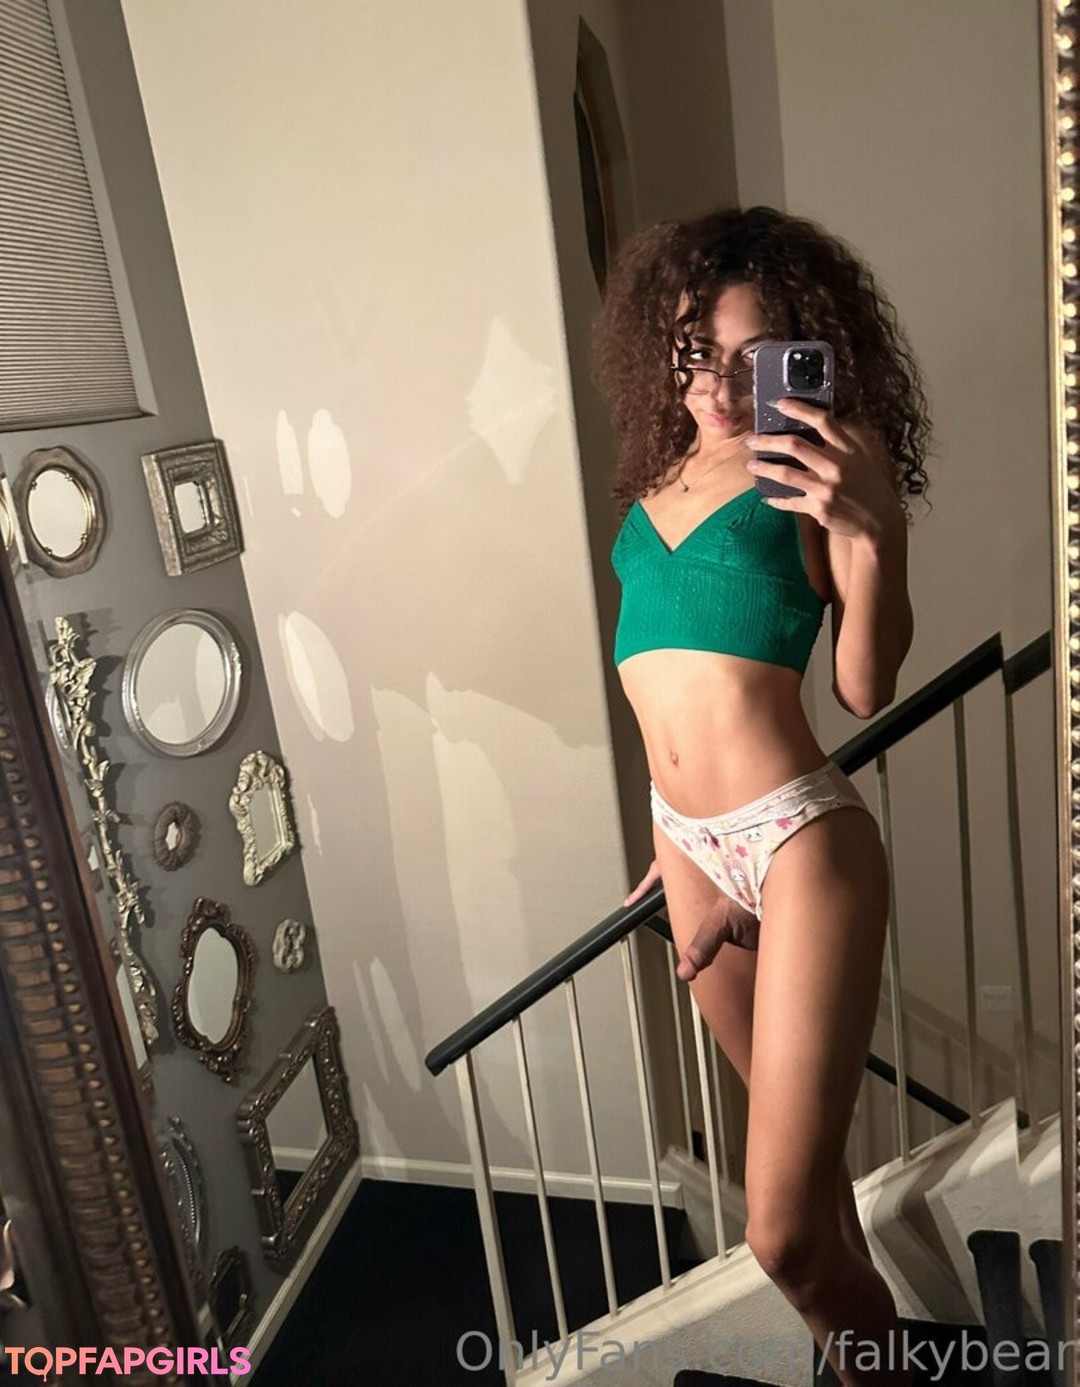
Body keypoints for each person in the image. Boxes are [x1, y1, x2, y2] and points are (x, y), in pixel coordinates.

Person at [592, 205, 929, 1387]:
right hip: (688, 845)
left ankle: (882, 1367)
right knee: (816, 1190)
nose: (721, 387)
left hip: (798, 841)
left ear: (804, 356)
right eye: (696, 354)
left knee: (778, 1232)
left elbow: (864, 684)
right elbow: (664, 680)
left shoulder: (813, 480)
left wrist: (873, 531)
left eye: (753, 360)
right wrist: (671, 829)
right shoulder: (655, 477)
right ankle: (865, 1367)